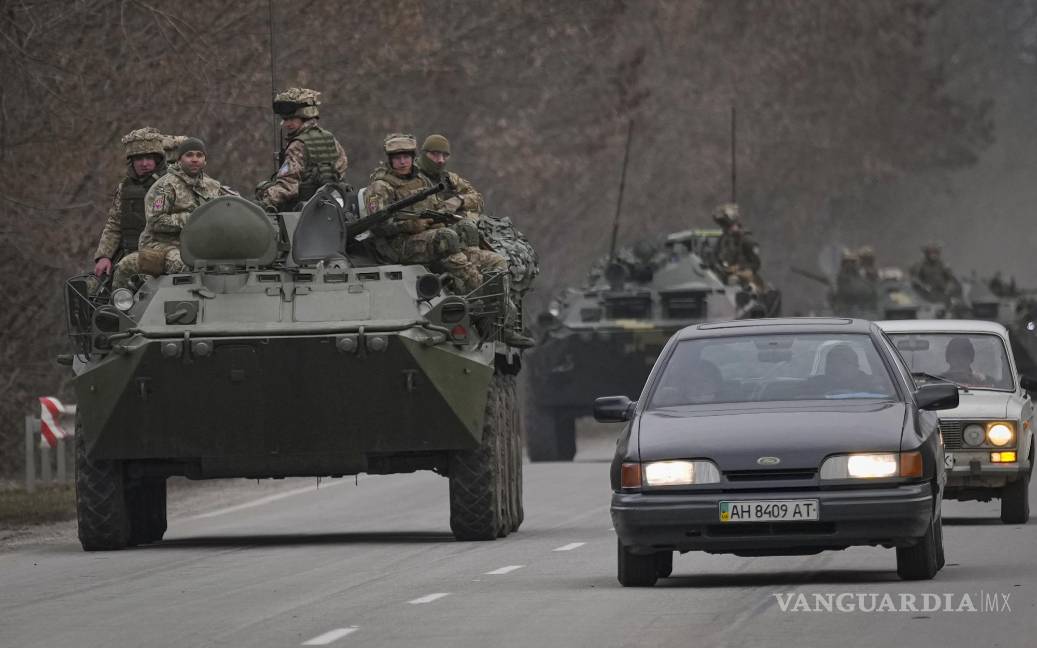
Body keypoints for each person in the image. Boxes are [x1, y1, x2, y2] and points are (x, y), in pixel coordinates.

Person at [112, 138, 232, 288]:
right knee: (186, 266)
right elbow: (157, 221)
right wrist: (194, 219)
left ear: (205, 160)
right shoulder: (164, 187)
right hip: (163, 245)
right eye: (189, 155)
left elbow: (229, 209)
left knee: (232, 266)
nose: (194, 159)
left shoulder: (212, 186)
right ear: (180, 159)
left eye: (199, 155)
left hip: (200, 245)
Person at [256, 87, 348, 212]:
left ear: (305, 117)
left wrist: (263, 202)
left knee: (262, 188)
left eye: (291, 119)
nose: (286, 124)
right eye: (284, 119)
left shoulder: (298, 145)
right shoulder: (329, 138)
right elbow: (340, 170)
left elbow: (288, 186)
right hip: (333, 207)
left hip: (304, 212)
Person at [92, 127, 167, 278]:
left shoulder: (170, 185)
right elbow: (114, 224)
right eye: (139, 159)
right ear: (131, 161)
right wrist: (104, 256)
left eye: (149, 158)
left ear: (157, 160)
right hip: (128, 252)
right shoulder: (125, 187)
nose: (144, 163)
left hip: (161, 254)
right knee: (93, 289)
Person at [712, 203, 764, 290]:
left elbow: (756, 263)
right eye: (723, 224)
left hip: (742, 279)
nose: (725, 228)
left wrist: (739, 267)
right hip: (722, 278)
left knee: (740, 281)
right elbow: (715, 257)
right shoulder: (722, 239)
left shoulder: (745, 239)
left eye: (726, 224)